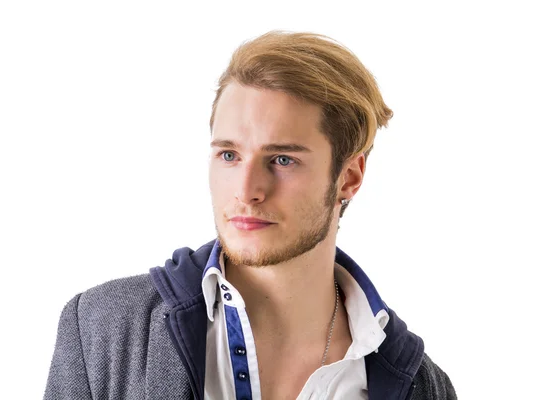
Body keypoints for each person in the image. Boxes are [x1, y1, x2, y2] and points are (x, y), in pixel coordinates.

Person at [44, 31, 456, 400]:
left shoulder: (421, 386)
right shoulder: (103, 330)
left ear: (348, 178)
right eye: (229, 155)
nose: (246, 190)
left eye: (281, 159)